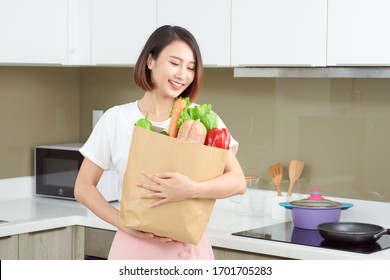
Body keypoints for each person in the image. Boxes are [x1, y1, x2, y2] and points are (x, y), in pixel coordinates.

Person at [74, 25, 246, 260]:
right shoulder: (117, 119)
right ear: (150, 61)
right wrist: (124, 223)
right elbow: (83, 188)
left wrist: (191, 189)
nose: (182, 75)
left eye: (191, 68)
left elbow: (237, 182)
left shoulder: (203, 120)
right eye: (175, 63)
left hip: (189, 251)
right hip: (133, 248)